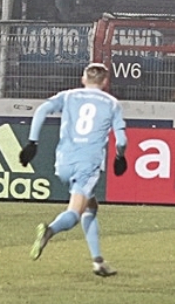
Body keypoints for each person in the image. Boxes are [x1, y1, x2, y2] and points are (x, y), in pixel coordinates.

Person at [21, 62, 129, 277]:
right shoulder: (112, 103)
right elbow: (122, 139)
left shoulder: (68, 95)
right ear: (105, 82)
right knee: (74, 213)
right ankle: (49, 231)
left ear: (83, 79)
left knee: (91, 207)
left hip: (63, 162)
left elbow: (42, 109)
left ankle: (98, 262)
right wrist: (120, 156)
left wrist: (32, 142)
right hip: (87, 163)